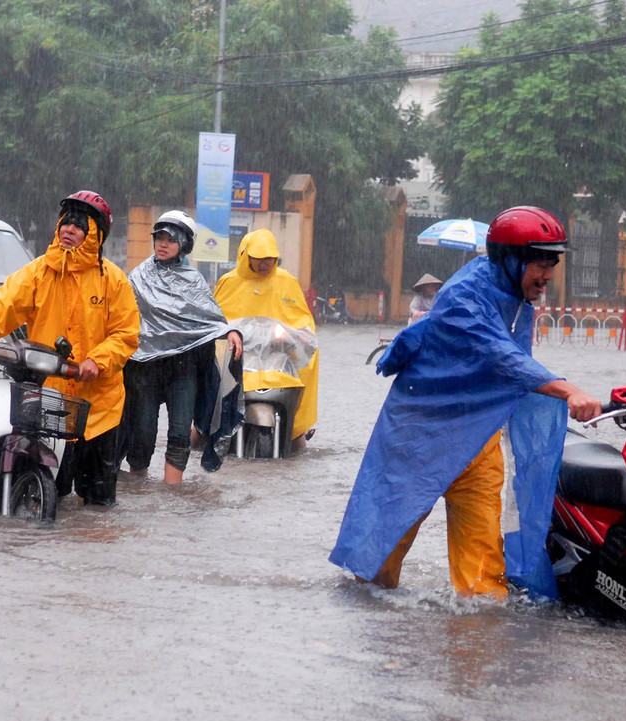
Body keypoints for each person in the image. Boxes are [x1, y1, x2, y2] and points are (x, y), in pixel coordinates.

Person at [329, 206, 601, 599]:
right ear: (510, 260)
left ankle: (475, 651)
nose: (546, 277)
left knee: (484, 590)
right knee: (376, 573)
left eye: (551, 265)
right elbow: (502, 359)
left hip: (477, 440)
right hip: (419, 441)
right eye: (539, 265)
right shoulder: (463, 297)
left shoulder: (518, 301)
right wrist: (567, 389)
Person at [0, 191, 140, 507]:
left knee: (99, 505)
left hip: (100, 406)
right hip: (49, 398)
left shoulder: (113, 280)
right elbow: (5, 302)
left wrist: (98, 359)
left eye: (79, 225)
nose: (69, 230)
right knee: (49, 490)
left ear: (95, 234)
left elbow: (126, 334)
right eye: (65, 223)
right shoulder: (39, 272)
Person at [118, 210, 244, 484]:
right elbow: (121, 317)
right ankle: (137, 486)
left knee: (178, 433)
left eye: (170, 240)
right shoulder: (138, 277)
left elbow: (210, 320)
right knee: (143, 434)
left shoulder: (194, 281)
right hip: (144, 370)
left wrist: (230, 331)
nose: (163, 244)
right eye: (159, 238)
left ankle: (172, 496)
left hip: (182, 368)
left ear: (184, 245)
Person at [214, 229, 318, 447]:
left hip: (277, 361)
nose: (264, 264)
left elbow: (303, 325)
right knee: (198, 434)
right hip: (237, 361)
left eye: (269, 259)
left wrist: (291, 336)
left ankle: (296, 427)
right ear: (247, 257)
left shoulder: (287, 282)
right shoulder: (229, 283)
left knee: (299, 443)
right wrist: (229, 333)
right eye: (259, 259)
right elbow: (214, 322)